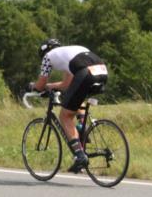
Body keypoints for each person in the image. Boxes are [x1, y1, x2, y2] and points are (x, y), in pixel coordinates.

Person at [29, 39, 108, 172]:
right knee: (73, 99)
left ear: (44, 52)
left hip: (86, 74)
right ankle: (83, 127)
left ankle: (80, 156)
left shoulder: (47, 57)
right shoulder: (70, 52)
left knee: (65, 116)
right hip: (102, 71)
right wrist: (50, 86)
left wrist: (32, 87)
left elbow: (40, 84)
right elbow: (67, 84)